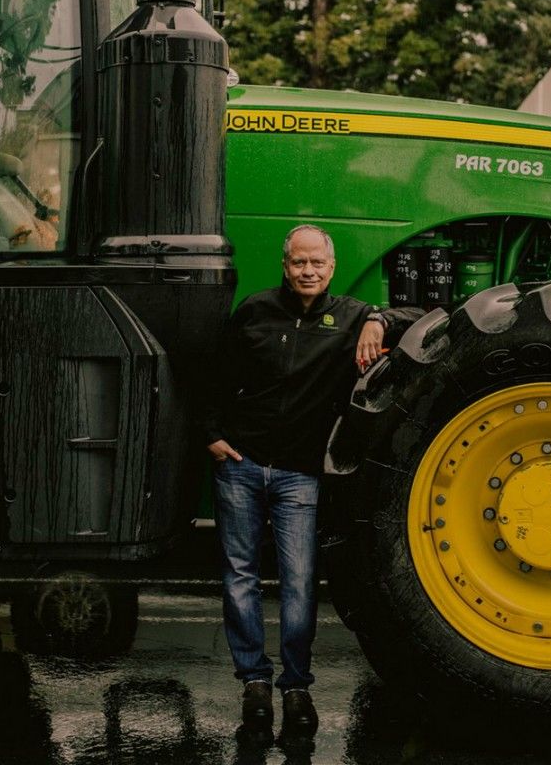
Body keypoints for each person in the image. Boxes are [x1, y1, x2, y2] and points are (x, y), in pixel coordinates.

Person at [205, 225, 423, 735]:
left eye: (317, 264)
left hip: (300, 476)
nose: (308, 272)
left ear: (331, 268)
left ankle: (297, 686)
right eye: (299, 263)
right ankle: (254, 683)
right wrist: (212, 435)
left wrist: (378, 318)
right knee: (239, 577)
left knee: (299, 583)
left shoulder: (348, 316)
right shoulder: (255, 312)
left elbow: (428, 319)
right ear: (286, 265)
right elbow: (215, 378)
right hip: (240, 464)